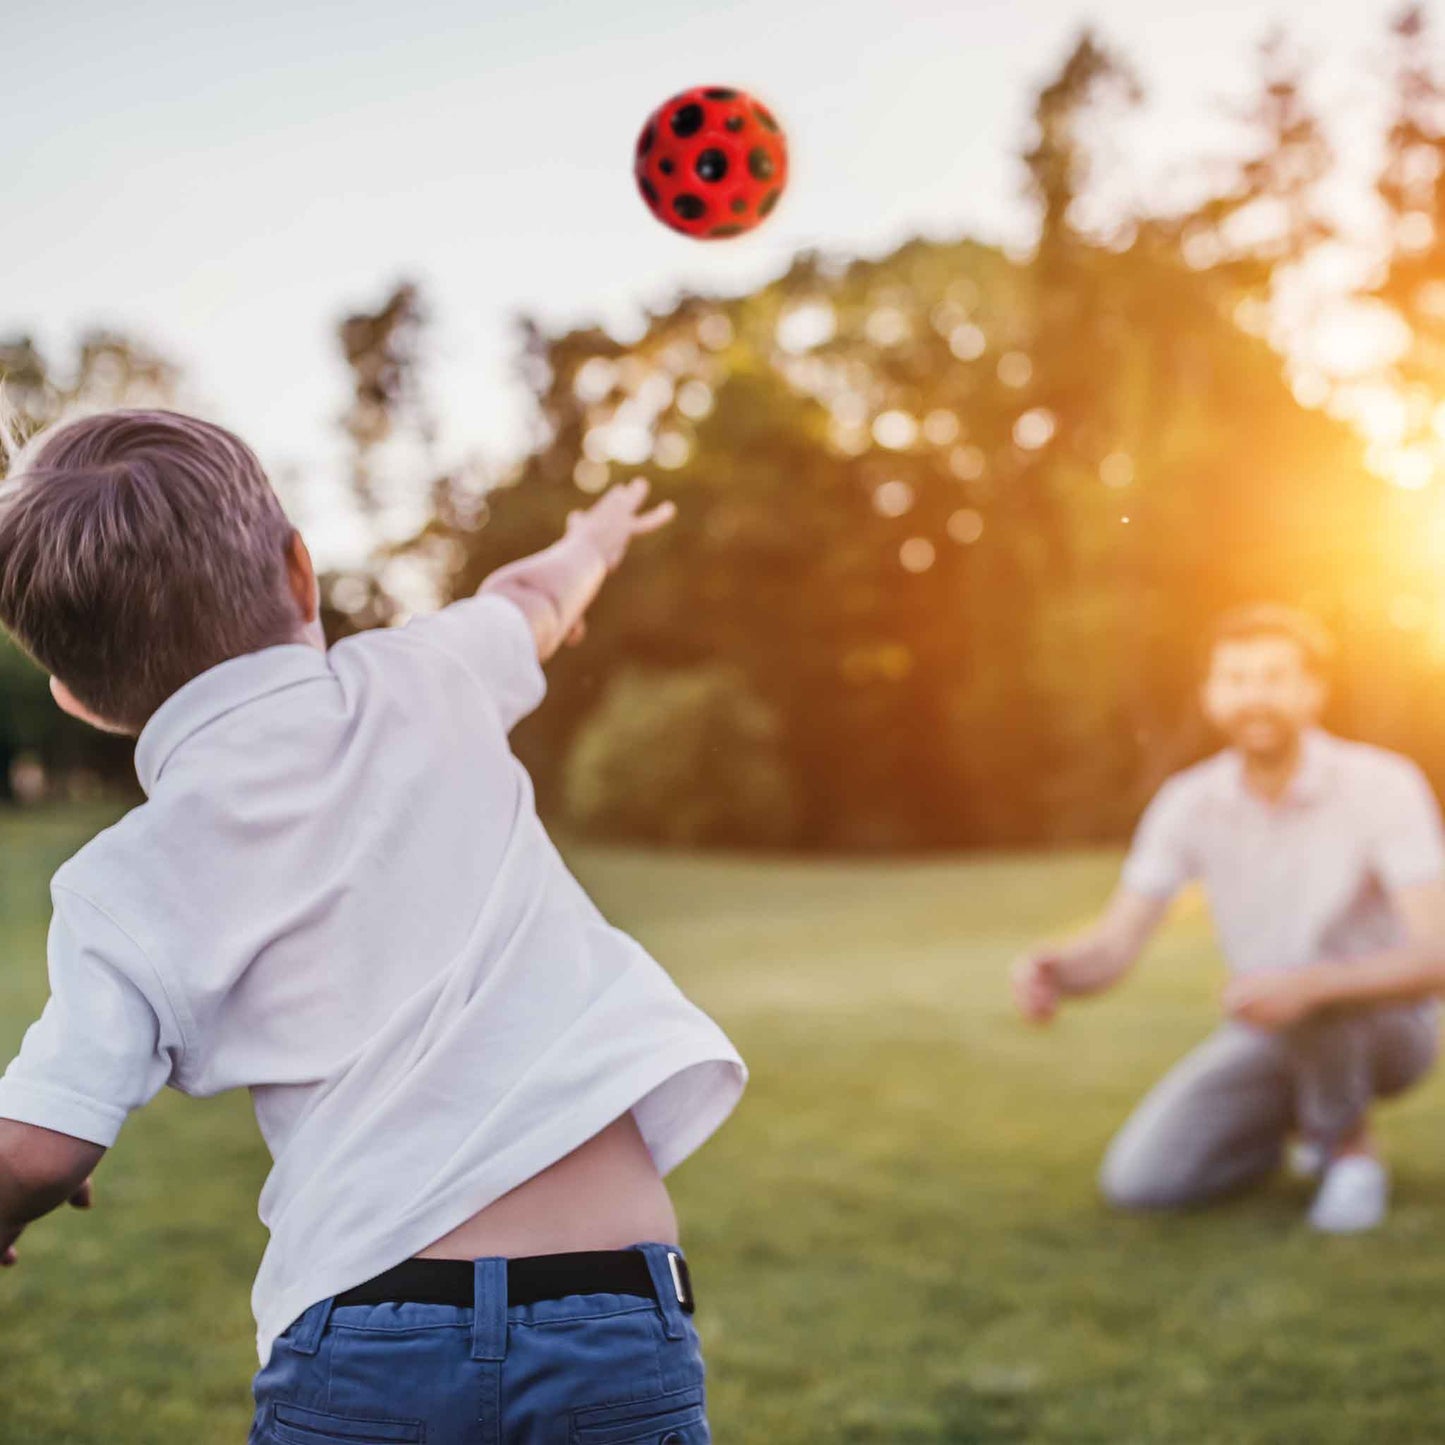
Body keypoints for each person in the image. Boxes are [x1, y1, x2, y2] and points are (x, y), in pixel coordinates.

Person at [0, 409, 744, 1443]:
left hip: (361, 1346)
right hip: (606, 1319)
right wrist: (591, 544)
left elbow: (38, 1146)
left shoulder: (123, 880)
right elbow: (526, 599)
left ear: (75, 696)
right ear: (301, 572)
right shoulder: (425, 674)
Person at [1012, 604, 1445, 1233]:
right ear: (1210, 694)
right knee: (1143, 1181)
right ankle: (1291, 1125)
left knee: (1313, 993)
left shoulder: (1381, 786)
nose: (1254, 697)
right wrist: (1058, 970)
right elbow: (1115, 947)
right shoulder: (1189, 804)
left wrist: (1308, 985)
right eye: (1236, 680)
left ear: (1314, 690)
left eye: (1274, 678)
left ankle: (1350, 1156)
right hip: (1268, 1027)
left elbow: (1437, 955)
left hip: (1392, 1030)